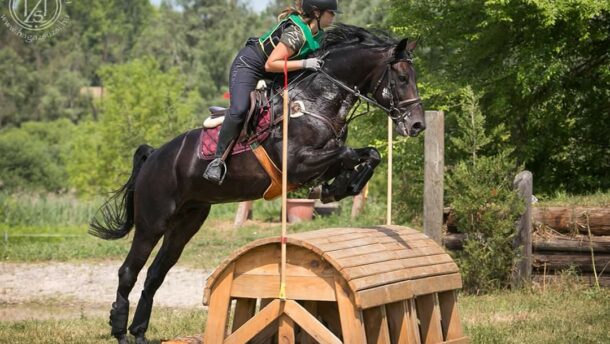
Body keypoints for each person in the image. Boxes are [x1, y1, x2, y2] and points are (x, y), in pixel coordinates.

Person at [203, 0, 340, 185]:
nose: (334, 16)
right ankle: (217, 161)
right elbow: (271, 64)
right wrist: (304, 64)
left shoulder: (319, 36)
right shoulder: (295, 33)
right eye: (331, 12)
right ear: (317, 13)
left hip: (275, 71)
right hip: (251, 65)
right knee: (240, 110)